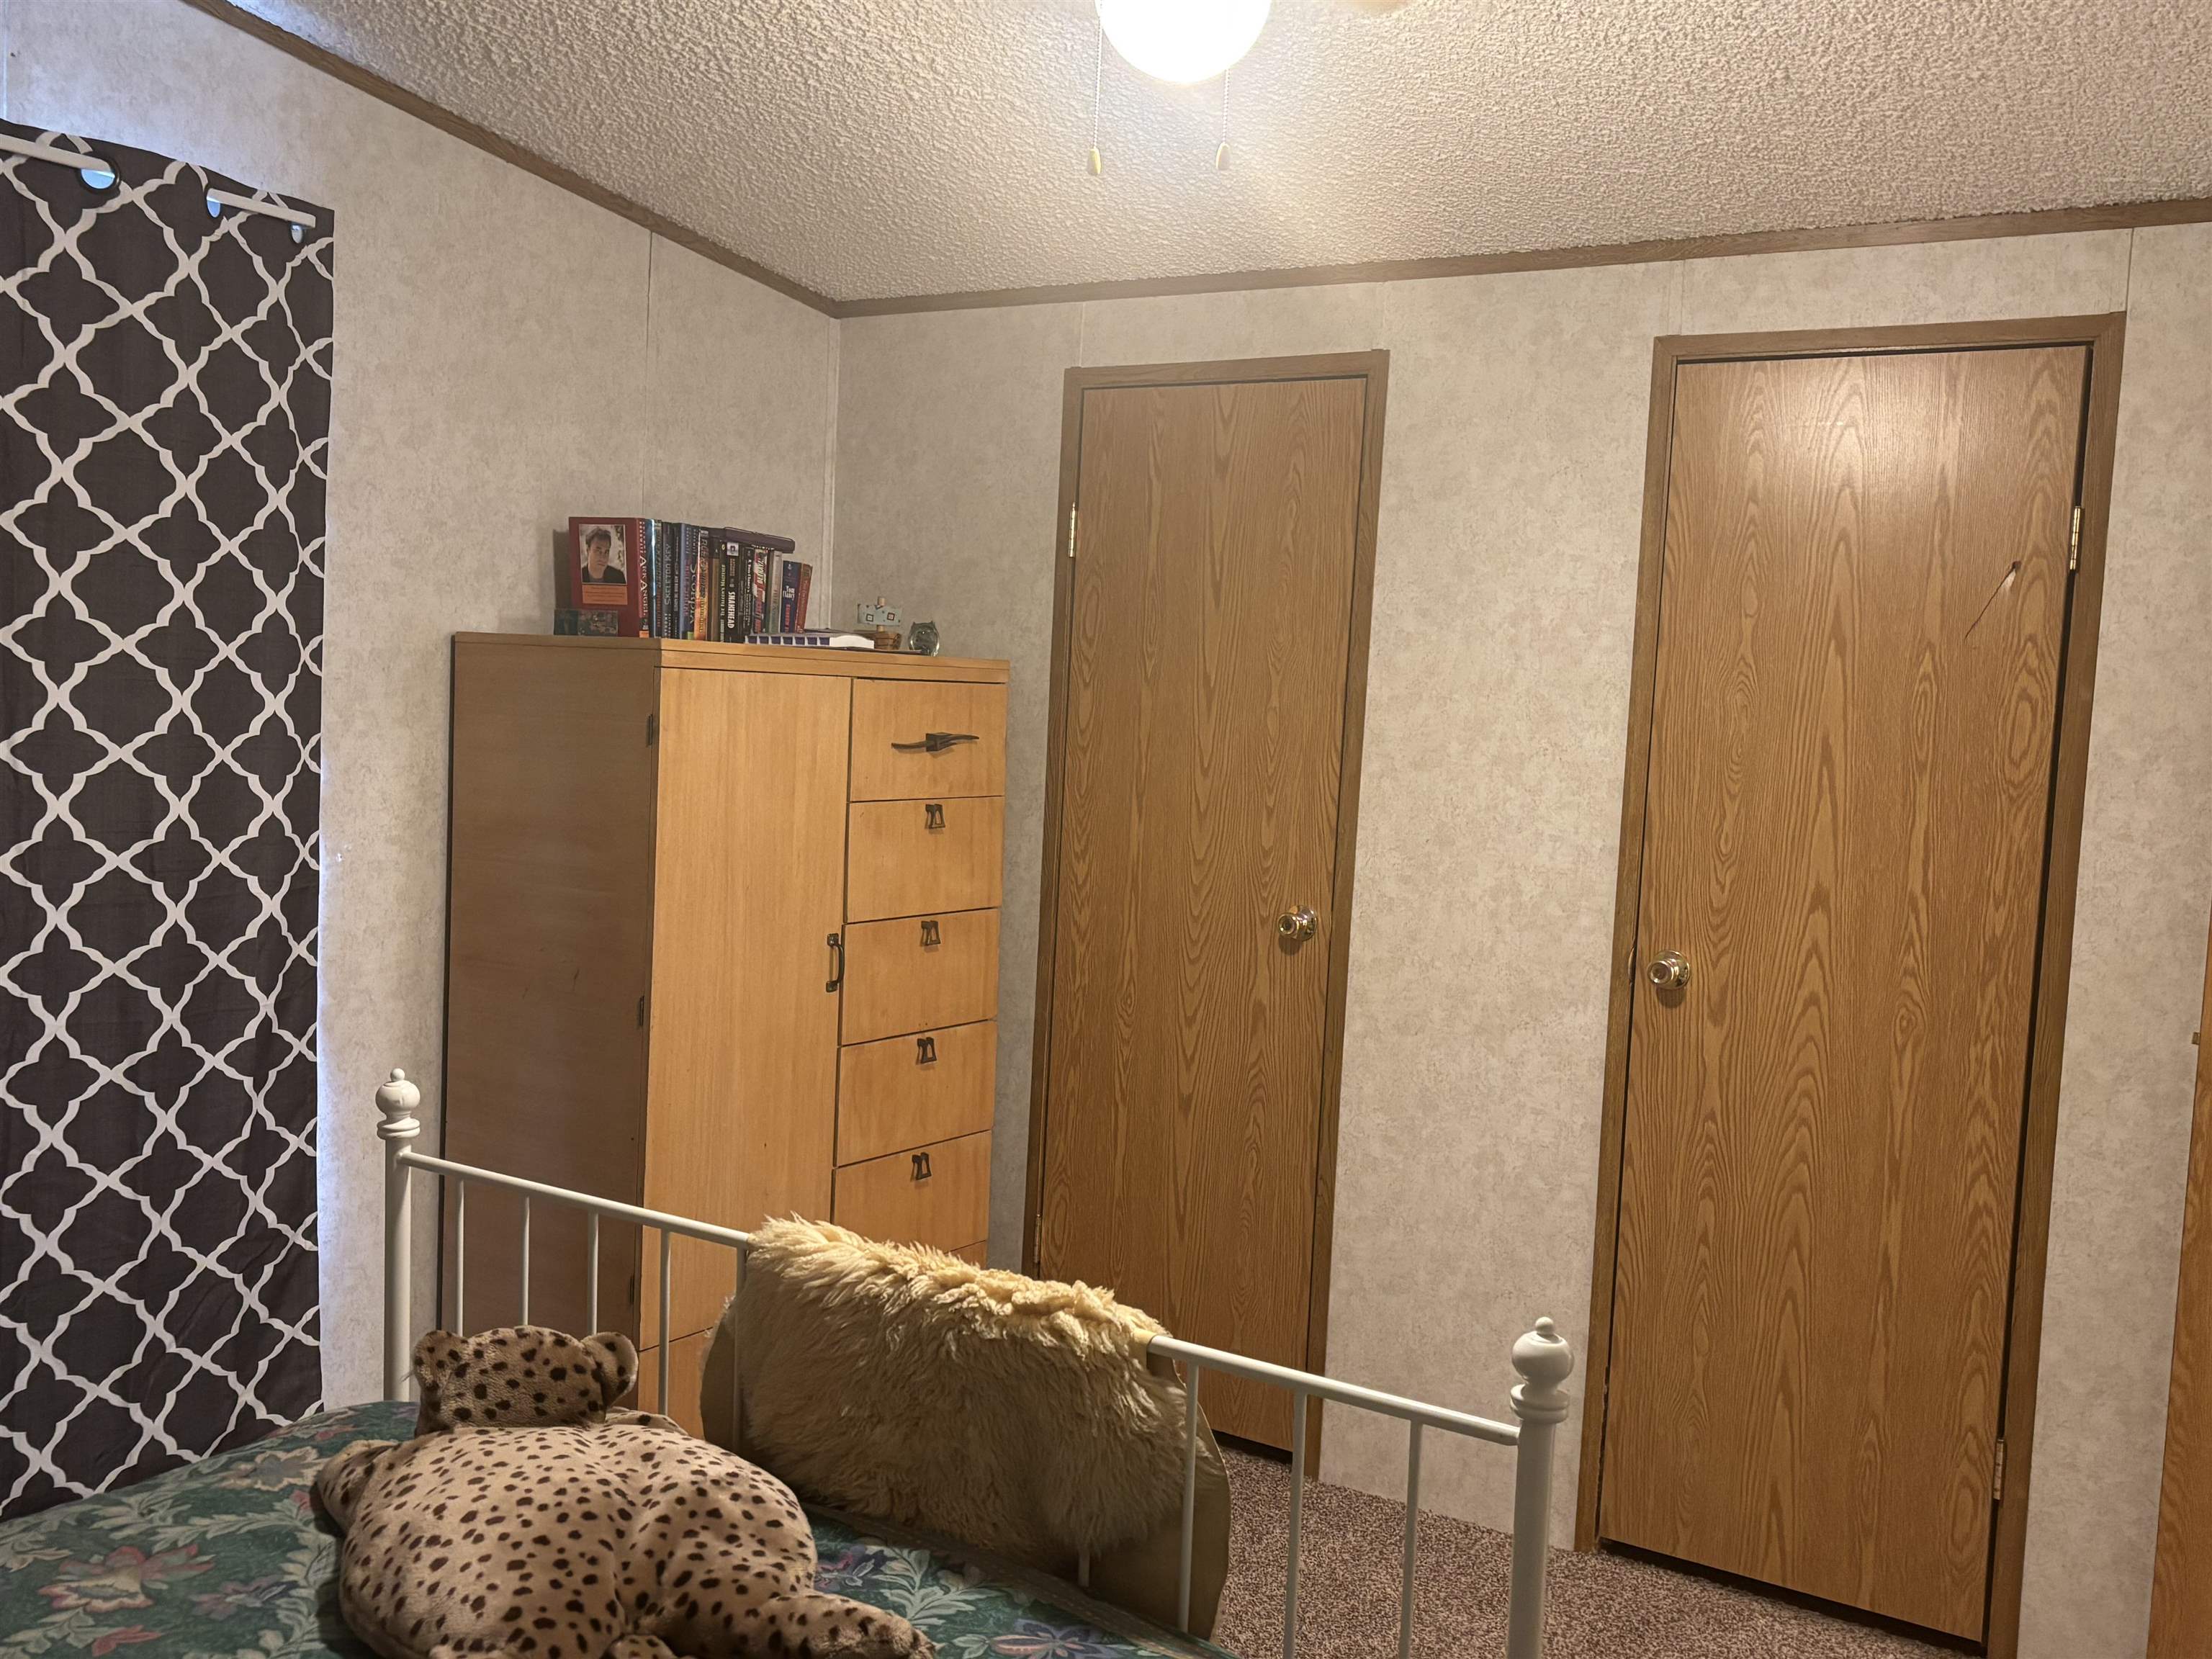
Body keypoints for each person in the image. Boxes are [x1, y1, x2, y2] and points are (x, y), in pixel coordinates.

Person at [580, 525, 626, 589]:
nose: (603, 557)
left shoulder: (618, 577)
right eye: (598, 551)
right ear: (588, 550)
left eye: (606, 552)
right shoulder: (579, 576)